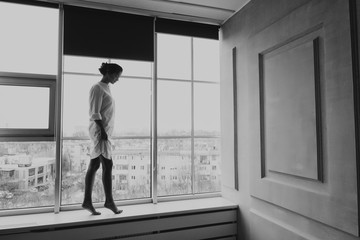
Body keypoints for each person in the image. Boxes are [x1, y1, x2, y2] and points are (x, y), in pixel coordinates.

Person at [82, 62, 123, 215]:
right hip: (100, 132)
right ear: (108, 73)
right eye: (116, 75)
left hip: (105, 132)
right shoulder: (97, 88)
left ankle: (88, 201)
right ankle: (109, 201)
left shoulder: (107, 88)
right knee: (107, 165)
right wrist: (102, 131)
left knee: (95, 166)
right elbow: (94, 112)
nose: (117, 79)